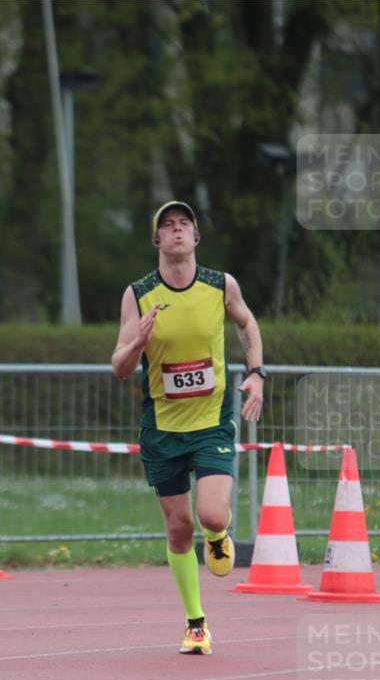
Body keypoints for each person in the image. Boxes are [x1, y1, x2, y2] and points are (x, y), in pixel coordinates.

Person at [112, 201, 265, 655]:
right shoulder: (137, 294)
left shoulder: (220, 285)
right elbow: (119, 366)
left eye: (184, 225)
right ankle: (196, 624)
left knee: (211, 516)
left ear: (196, 238)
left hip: (211, 423)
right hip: (161, 428)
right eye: (167, 226)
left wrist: (256, 372)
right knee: (178, 529)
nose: (177, 231)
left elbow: (248, 322)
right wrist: (137, 343)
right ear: (157, 241)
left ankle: (218, 536)